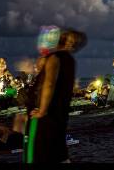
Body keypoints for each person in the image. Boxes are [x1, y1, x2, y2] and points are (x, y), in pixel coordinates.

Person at [25, 27, 86, 164]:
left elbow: (49, 84)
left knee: (39, 153)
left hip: (46, 115)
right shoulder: (69, 60)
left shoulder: (54, 58)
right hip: (60, 113)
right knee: (58, 152)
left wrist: (42, 110)